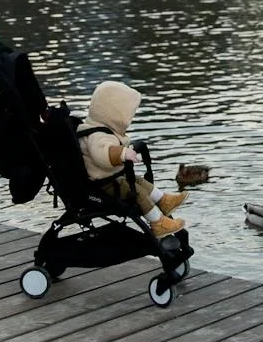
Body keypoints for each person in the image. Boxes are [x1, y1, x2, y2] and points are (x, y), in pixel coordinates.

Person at [77, 81, 186, 239]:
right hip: (104, 184)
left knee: (138, 182)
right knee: (138, 194)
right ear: (113, 113)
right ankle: (158, 223)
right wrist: (122, 154)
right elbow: (102, 154)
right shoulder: (97, 135)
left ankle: (163, 200)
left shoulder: (100, 129)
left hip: (112, 178)